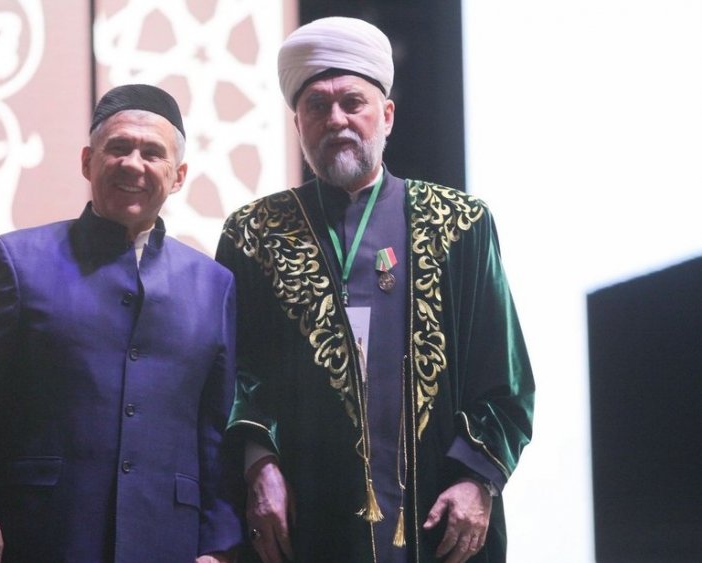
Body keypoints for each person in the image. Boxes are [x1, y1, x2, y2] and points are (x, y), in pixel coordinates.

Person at [215, 17, 535, 563]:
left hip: (436, 518)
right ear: (297, 124)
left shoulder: (460, 223)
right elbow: (233, 373)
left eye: (352, 103)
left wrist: (477, 478)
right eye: (317, 106)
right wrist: (257, 465)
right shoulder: (254, 233)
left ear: (386, 115)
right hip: (303, 523)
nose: (336, 119)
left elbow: (504, 378)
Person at [0, 84, 242, 562]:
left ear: (179, 176)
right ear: (87, 161)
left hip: (168, 537)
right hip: (43, 529)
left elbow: (216, 425)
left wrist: (220, 544)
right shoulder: (19, 261)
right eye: (118, 148)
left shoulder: (214, 284)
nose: (133, 164)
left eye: (152, 153)